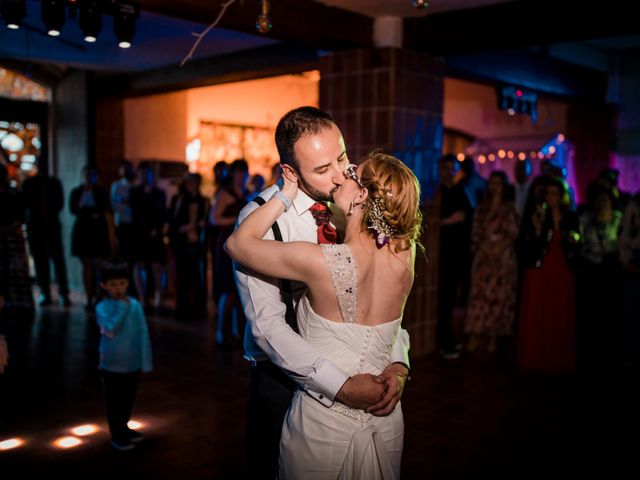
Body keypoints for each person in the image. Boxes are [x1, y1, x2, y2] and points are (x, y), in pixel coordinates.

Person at [231, 106, 411, 480]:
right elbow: (268, 329)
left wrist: (397, 362)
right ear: (292, 173)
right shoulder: (263, 219)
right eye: (322, 169)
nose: (340, 175)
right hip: (284, 381)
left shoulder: (357, 202)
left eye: (342, 157)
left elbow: (385, 306)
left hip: (368, 384)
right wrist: (339, 386)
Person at [518, 178, 580, 373]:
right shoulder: (538, 214)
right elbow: (526, 241)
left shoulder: (569, 216)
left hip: (561, 267)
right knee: (538, 308)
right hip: (540, 267)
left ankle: (556, 357)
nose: (551, 198)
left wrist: (571, 236)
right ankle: (534, 356)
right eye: (548, 193)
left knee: (559, 308)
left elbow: (577, 239)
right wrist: (537, 228)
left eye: (555, 194)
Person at [96, 260, 153, 451]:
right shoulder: (102, 307)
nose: (118, 288)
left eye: (121, 283)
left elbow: (143, 333)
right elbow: (110, 330)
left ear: (128, 283)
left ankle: (124, 428)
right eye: (112, 284)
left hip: (132, 363)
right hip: (111, 365)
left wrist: (145, 360)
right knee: (114, 402)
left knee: (128, 399)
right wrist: (122, 307)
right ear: (103, 285)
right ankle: (117, 434)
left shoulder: (135, 305)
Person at [465, 171, 519, 354]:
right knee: (480, 295)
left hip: (503, 258)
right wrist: (485, 247)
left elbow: (513, 233)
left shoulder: (509, 209)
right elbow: (475, 232)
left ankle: (493, 337)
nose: (495, 187)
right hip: (484, 256)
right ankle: (476, 334)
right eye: (492, 183)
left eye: (498, 183)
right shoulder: (482, 208)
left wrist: (499, 247)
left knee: (498, 297)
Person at [22, 170, 70, 306]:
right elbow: (24, 204)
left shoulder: (54, 183)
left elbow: (60, 204)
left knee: (57, 260)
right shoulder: (29, 184)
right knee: (40, 260)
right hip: (36, 226)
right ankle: (45, 291)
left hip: (51, 225)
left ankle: (63, 292)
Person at [70, 166, 111, 311]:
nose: (89, 178)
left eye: (92, 175)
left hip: (98, 231)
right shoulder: (77, 191)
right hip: (83, 231)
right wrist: (90, 212)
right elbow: (73, 209)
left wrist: (87, 211)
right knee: (86, 264)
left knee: (99, 264)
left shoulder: (100, 192)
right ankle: (88, 295)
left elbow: (102, 208)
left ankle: (100, 294)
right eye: (87, 175)